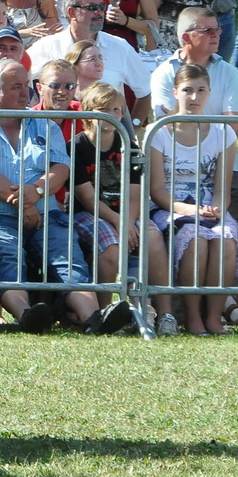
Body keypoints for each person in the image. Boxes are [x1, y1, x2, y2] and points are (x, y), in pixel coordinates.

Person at [0, 58, 105, 332]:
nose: (26, 93)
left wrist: (36, 192)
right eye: (16, 87)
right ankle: (27, 316)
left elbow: (61, 168)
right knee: (6, 257)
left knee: (68, 259)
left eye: (27, 85)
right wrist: (24, 204)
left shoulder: (44, 124)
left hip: (46, 212)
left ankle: (94, 318)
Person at [146, 63, 238, 336]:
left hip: (209, 203)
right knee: (195, 239)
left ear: (210, 93)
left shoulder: (224, 133)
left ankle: (214, 316)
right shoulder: (159, 132)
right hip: (171, 206)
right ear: (175, 92)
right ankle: (192, 315)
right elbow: (158, 191)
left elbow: (223, 187)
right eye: (188, 90)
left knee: (227, 239)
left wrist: (216, 209)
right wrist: (192, 210)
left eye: (201, 91)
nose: (195, 97)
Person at [70, 81, 152, 326]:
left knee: (154, 238)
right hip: (90, 213)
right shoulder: (77, 146)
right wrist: (118, 221)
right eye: (104, 109)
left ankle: (158, 310)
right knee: (110, 246)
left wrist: (128, 220)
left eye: (117, 110)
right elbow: (86, 198)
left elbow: (136, 192)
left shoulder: (128, 145)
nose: (113, 115)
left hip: (126, 212)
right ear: (87, 111)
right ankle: (104, 310)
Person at [28, 0, 152, 121]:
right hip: (55, 136)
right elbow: (20, 76)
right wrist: (32, 113)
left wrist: (133, 127)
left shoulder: (120, 47)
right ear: (72, 12)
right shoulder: (47, 46)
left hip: (105, 137)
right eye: (92, 8)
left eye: (102, 6)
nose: (100, 13)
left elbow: (145, 91)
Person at [150, 8, 238, 117]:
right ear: (187, 37)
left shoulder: (229, 72)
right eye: (207, 31)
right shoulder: (164, 73)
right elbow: (166, 125)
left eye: (217, 30)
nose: (215, 35)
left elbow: (233, 125)